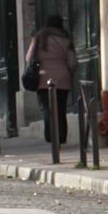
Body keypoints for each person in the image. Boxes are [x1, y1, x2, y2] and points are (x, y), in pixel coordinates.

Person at [25, 14, 77, 144]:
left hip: (44, 78)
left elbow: (28, 58)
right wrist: (67, 71)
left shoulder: (39, 37)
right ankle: (61, 137)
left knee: (48, 109)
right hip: (62, 78)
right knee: (61, 109)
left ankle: (51, 137)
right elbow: (72, 62)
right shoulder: (66, 39)